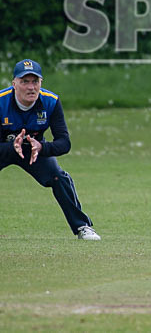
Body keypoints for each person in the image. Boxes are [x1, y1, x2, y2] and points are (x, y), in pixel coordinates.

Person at [0, 59, 100, 241]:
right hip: (3, 148)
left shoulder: (51, 102)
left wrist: (42, 147)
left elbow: (64, 143)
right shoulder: (1, 102)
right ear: (14, 84)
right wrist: (11, 147)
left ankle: (82, 226)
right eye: (25, 81)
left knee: (59, 177)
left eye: (35, 81)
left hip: (34, 151)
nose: (31, 87)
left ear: (41, 83)